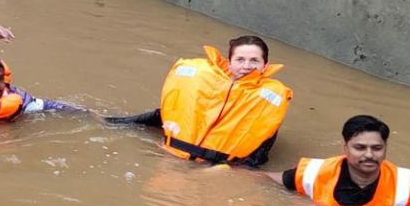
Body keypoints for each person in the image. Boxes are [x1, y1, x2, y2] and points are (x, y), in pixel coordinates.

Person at [106, 35, 293, 167]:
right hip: (169, 156)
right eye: (240, 59)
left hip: (216, 169)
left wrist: (225, 170)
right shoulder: (202, 81)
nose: (246, 66)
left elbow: (258, 156)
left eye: (254, 60)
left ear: (265, 65)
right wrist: (112, 122)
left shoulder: (268, 100)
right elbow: (167, 114)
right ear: (229, 62)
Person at [264, 115, 410, 206]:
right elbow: (267, 179)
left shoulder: (407, 187)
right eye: (360, 147)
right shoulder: (313, 172)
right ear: (345, 148)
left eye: (377, 148)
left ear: (386, 148)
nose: (369, 155)